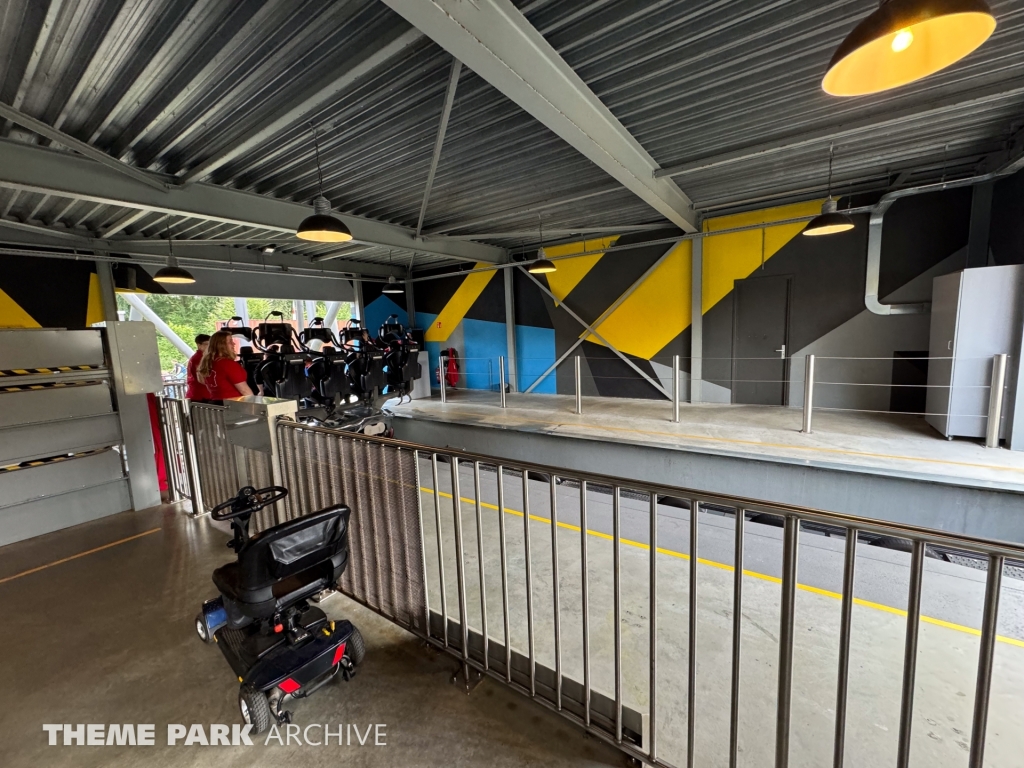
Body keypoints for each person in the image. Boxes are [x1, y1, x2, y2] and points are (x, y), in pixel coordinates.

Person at [195, 330, 253, 403]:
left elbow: (201, 381)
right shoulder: (228, 364)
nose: (234, 344)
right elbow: (244, 390)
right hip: (234, 404)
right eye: (230, 342)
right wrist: (254, 405)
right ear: (222, 345)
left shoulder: (208, 362)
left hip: (216, 402)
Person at [185, 334, 211, 400]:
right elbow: (202, 378)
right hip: (202, 394)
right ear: (199, 345)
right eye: (207, 344)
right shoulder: (199, 358)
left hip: (198, 393)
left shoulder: (197, 357)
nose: (210, 346)